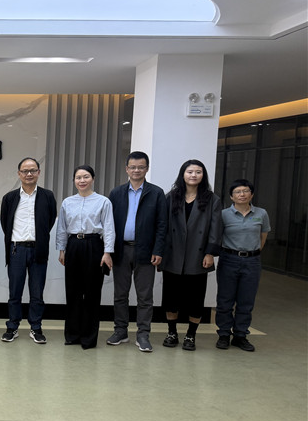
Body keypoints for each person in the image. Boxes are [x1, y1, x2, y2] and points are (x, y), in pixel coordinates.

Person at [106, 151, 167, 352]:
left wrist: (158, 250)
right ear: (127, 169)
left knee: (145, 297)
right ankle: (120, 331)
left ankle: (143, 335)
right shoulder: (116, 193)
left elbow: (162, 225)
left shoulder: (156, 193)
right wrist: (108, 250)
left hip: (146, 251)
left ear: (147, 169)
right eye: (132, 167)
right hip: (121, 250)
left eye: (141, 167)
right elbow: (109, 224)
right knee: (120, 295)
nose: (136, 170)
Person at [159, 159, 222, 351]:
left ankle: (191, 335)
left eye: (198, 172)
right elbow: (163, 225)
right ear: (183, 174)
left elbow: (215, 228)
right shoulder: (171, 196)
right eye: (190, 172)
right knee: (171, 298)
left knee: (196, 299)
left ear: (203, 175)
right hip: (173, 254)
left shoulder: (212, 199)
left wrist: (210, 253)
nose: (194, 175)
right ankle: (172, 332)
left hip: (198, 254)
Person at [56, 165, 115, 350]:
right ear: (74, 180)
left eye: (86, 176)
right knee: (72, 292)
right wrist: (61, 249)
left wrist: (107, 252)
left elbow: (109, 228)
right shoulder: (67, 202)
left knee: (92, 292)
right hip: (73, 245)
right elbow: (62, 228)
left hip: (94, 245)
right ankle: (73, 335)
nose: (82, 180)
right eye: (78, 177)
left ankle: (89, 338)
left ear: (93, 179)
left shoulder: (103, 202)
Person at [0, 157, 57, 343]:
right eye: (25, 171)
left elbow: (50, 221)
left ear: (39, 172)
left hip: (38, 249)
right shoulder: (10, 198)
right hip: (16, 250)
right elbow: (5, 223)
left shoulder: (47, 196)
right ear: (19, 174)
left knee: (37, 292)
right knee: (14, 292)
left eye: (33, 170)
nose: (29, 174)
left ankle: (36, 327)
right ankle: (12, 326)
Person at [215, 179, 270, 352]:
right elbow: (217, 236)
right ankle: (224, 334)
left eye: (245, 191)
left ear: (251, 194)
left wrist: (252, 253)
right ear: (231, 196)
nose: (242, 194)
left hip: (252, 261)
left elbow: (263, 237)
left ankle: (240, 336)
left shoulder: (261, 213)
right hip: (229, 259)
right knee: (225, 300)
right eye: (237, 192)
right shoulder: (223, 214)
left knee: (246, 301)